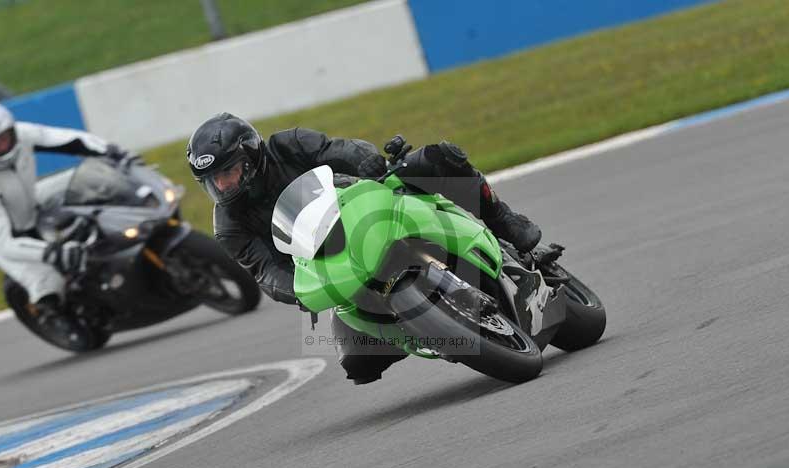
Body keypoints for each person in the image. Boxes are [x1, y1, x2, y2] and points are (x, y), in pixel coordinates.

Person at [187, 112, 541, 384]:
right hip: (335, 267)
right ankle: (427, 332)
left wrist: (366, 163)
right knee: (358, 364)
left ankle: (503, 220)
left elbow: (339, 151)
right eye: (213, 181)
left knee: (438, 158)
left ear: (250, 155)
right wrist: (299, 292)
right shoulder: (229, 226)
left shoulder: (289, 145)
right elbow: (265, 272)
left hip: (366, 211)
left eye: (228, 172)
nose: (223, 185)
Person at [0, 101, 133, 325]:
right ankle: (53, 315)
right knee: (48, 284)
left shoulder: (24, 134)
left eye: (3, 137)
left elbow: (69, 138)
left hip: (31, 203)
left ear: (11, 129)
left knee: (94, 178)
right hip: (2, 238)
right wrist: (53, 253)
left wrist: (114, 153)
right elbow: (3, 243)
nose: (1, 145)